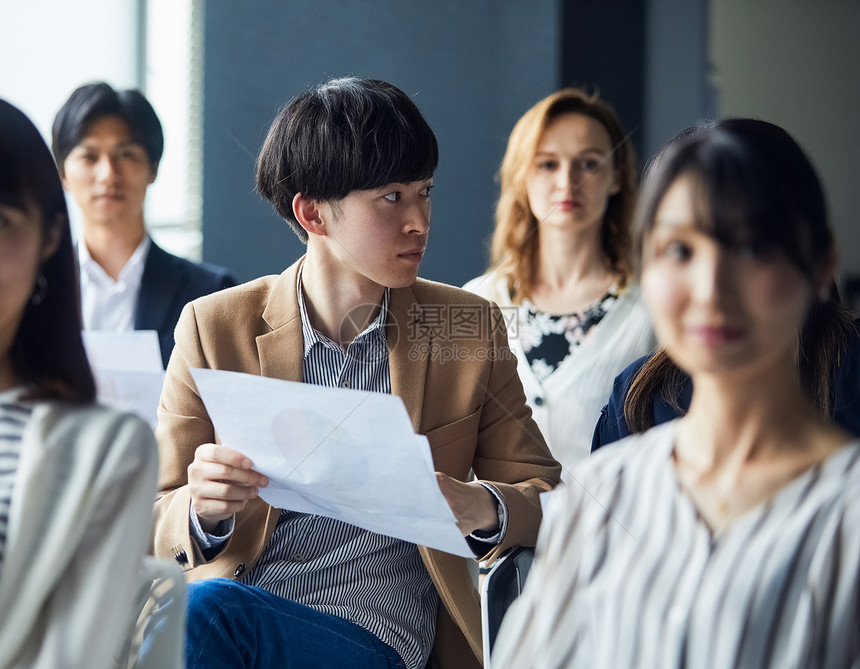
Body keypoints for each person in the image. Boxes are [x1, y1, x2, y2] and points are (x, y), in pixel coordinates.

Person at [151, 77, 561, 669]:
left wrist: (477, 506)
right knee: (205, 610)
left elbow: (548, 495)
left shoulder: (467, 327)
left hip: (383, 641)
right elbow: (153, 518)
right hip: (238, 628)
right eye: (392, 197)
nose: (420, 220)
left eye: (425, 192)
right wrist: (201, 509)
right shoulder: (214, 327)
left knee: (204, 612)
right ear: (313, 212)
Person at [493, 119, 860, 668]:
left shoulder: (844, 509)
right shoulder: (604, 486)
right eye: (678, 250)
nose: (711, 289)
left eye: (753, 247)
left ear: (820, 260)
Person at [0, 99, 159, 668]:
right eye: (88, 156)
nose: (108, 174)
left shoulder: (107, 449)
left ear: (46, 236)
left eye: (0, 222)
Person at [463, 88, 655, 475]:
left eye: (589, 163)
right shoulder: (478, 301)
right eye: (547, 164)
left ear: (616, 177)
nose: (568, 182)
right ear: (522, 176)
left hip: (609, 532)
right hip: (499, 533)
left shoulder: (655, 308)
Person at [52, 82, 237, 367]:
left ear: (153, 168)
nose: (108, 174)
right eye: (89, 156)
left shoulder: (212, 293)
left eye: (125, 155)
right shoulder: (36, 290)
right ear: (62, 172)